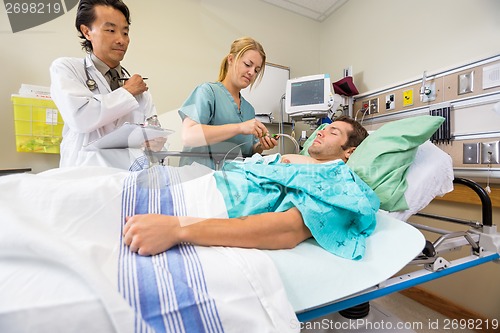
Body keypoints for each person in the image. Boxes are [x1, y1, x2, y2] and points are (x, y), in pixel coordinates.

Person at [123, 116, 377, 260]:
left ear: (349, 152)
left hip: (206, 203)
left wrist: (178, 229)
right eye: (322, 129)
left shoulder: (337, 180)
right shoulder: (302, 162)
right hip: (196, 181)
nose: (320, 133)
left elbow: (287, 230)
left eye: (333, 132)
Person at [50, 0, 165, 169]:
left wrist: (156, 144)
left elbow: (153, 132)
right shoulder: (66, 68)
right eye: (111, 30)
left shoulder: (139, 89)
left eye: (125, 33)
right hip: (84, 175)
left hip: (128, 180)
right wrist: (127, 92)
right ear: (87, 32)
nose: (121, 40)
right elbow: (82, 118)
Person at [178, 37, 279, 169]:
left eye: (256, 70)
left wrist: (261, 145)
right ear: (230, 60)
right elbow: (189, 136)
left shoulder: (249, 110)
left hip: (231, 180)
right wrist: (239, 127)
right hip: (199, 178)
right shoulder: (207, 92)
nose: (251, 72)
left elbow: (248, 151)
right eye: (248, 65)